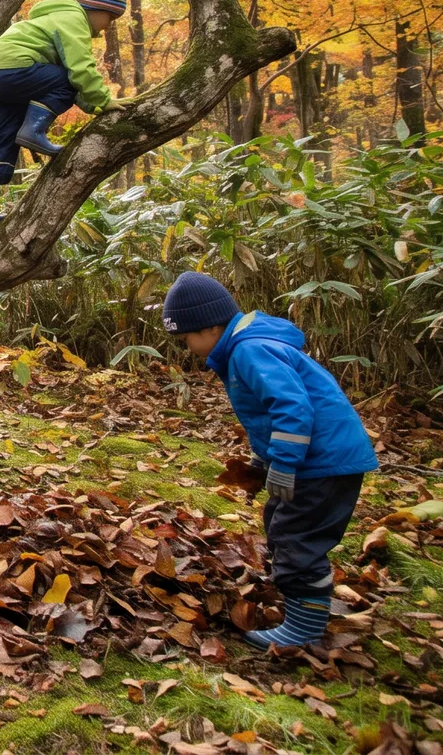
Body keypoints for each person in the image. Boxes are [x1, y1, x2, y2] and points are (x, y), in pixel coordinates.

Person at [161, 272, 378, 649]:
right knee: (280, 525)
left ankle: (305, 629)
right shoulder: (247, 346)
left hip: (323, 463)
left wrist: (285, 463)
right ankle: (302, 604)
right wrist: (262, 460)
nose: (187, 347)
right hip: (317, 459)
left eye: (186, 338)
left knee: (297, 538)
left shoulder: (250, 350)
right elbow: (268, 414)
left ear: (210, 327)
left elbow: (293, 408)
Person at [0, 0, 127, 229]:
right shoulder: (73, 18)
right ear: (96, 6)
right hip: (15, 68)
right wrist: (103, 100)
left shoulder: (52, 17)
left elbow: (73, 80)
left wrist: (93, 106)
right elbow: (79, 69)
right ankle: (34, 130)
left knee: (4, 142)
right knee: (69, 78)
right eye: (110, 17)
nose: (107, 26)